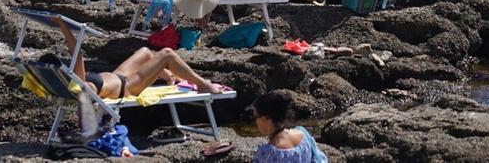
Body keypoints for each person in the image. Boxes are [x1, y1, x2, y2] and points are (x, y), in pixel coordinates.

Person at [54, 17, 224, 100]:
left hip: (118, 76)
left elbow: (75, 54)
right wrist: (63, 26)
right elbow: (78, 55)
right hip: (127, 87)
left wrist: (62, 26)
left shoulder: (70, 79)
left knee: (145, 52)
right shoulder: (80, 85)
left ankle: (170, 76)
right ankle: (203, 85)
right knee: (167, 53)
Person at [249, 89, 326, 163]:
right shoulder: (303, 134)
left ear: (264, 119)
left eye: (255, 117)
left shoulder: (267, 153)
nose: (255, 121)